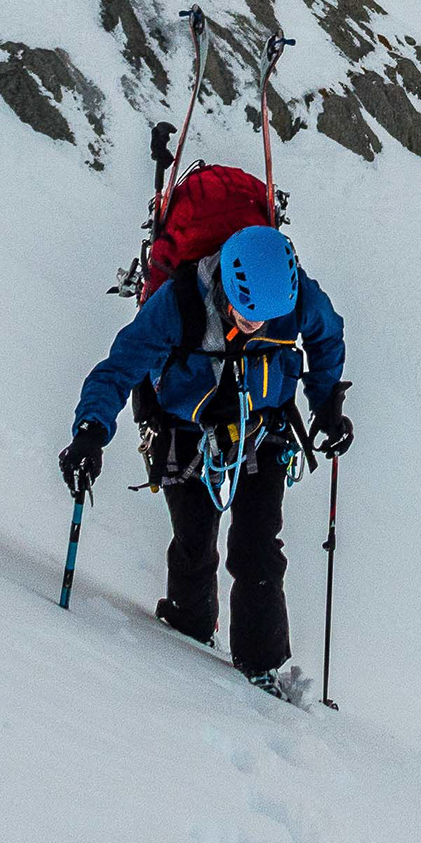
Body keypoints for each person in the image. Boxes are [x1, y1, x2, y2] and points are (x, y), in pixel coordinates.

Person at [61, 219, 351, 690]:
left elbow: (327, 334)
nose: (255, 326)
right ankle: (188, 634)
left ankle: (262, 667)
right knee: (195, 542)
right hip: (184, 432)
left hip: (263, 428)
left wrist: (326, 404)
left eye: (263, 319)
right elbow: (120, 367)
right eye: (246, 314)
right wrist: (91, 431)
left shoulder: (293, 298)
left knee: (258, 545)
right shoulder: (178, 305)